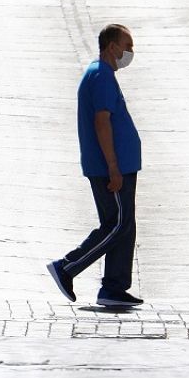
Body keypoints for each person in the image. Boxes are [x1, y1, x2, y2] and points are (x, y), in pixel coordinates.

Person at [46, 24, 144, 308]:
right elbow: (102, 122)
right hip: (111, 167)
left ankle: (114, 287)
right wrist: (113, 166)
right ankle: (67, 267)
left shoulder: (103, 74)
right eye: (127, 46)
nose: (130, 52)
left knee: (123, 225)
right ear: (112, 46)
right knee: (117, 224)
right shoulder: (100, 75)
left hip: (120, 165)